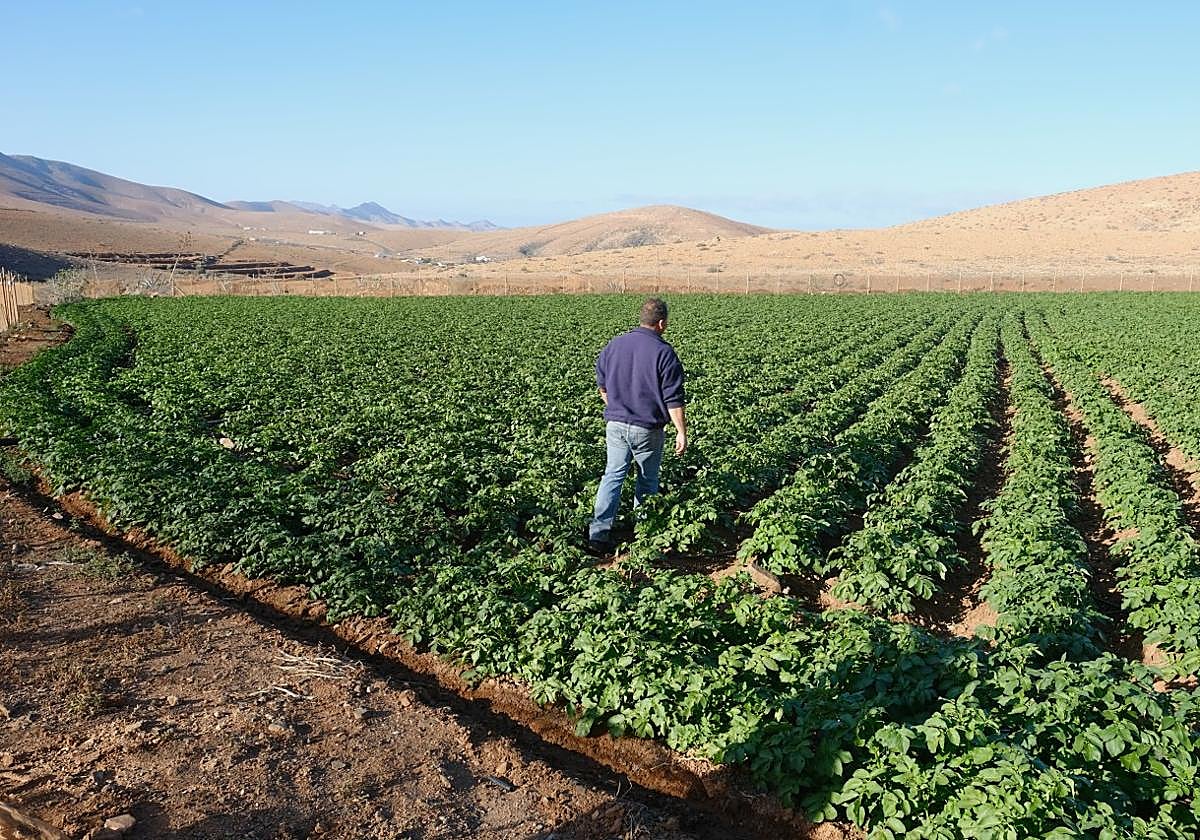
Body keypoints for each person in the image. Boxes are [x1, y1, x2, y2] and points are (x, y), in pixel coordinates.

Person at [588, 297, 687, 550]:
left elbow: (602, 386)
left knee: (613, 474)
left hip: (616, 424)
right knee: (647, 479)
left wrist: (615, 407)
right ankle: (643, 532)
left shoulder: (614, 345)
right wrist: (681, 432)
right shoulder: (664, 353)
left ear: (641, 319)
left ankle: (598, 534)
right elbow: (673, 399)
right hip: (648, 428)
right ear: (662, 323)